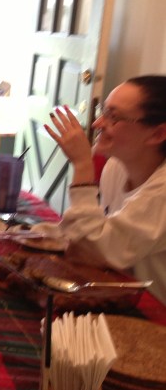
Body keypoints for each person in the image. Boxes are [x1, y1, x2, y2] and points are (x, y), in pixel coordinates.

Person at [44, 75, 166, 304]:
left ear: (157, 134)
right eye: (103, 111)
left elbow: (96, 249)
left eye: (113, 116)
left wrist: (82, 166)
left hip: (154, 315)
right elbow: (87, 241)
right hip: (120, 294)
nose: (97, 124)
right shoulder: (116, 166)